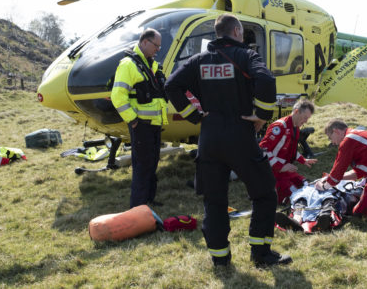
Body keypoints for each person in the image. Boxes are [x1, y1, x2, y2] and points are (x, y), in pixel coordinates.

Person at [164, 14, 291, 267]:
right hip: (240, 134)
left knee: (215, 200)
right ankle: (260, 253)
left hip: (209, 138)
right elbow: (265, 79)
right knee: (265, 193)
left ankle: (220, 259)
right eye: (242, 33)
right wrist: (262, 115)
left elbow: (171, 85)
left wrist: (195, 116)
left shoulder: (198, 60)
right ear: (236, 31)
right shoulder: (247, 56)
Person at [111, 29, 168, 208]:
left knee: (152, 162)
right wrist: (133, 120)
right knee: (142, 165)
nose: (158, 49)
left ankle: (149, 199)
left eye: (159, 46)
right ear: (144, 42)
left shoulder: (151, 65)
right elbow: (118, 96)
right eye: (155, 45)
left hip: (154, 124)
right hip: (141, 124)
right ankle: (138, 206)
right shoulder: (128, 65)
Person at [259, 99, 318, 204]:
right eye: (305, 117)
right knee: (295, 195)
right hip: (272, 173)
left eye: (307, 118)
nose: (306, 121)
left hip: (284, 172)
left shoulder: (295, 127)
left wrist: (303, 160)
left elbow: (290, 150)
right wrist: (280, 166)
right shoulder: (280, 127)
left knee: (306, 184)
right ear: (296, 112)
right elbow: (263, 150)